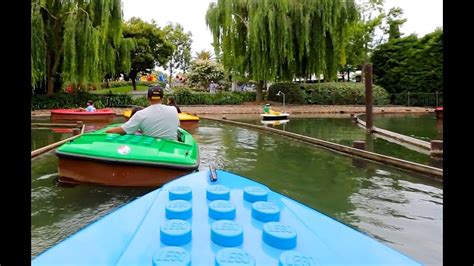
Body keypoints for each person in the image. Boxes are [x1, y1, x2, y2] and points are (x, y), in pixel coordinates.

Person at [106, 86, 180, 140]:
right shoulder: (173, 110)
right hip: (172, 146)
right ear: (162, 98)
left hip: (152, 148)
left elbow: (123, 130)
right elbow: (177, 125)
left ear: (147, 98)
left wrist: (107, 131)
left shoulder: (141, 114)